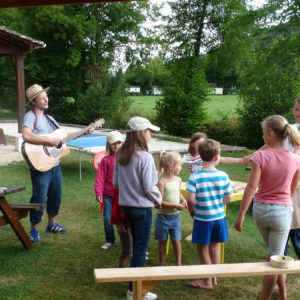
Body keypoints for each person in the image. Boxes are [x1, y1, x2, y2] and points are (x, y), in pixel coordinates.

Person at [234, 115, 300, 300]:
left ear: (270, 134)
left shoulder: (260, 155)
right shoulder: (295, 160)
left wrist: (240, 216)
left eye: (263, 134)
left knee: (273, 255)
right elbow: (291, 189)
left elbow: (252, 187)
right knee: (274, 260)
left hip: (260, 212)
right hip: (282, 213)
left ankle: (283, 294)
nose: (263, 137)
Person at [22, 84, 94, 243]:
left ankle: (51, 224)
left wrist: (84, 130)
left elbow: (62, 136)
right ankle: (33, 229)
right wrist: (47, 140)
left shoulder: (50, 118)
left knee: (56, 195)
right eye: (42, 97)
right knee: (39, 197)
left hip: (54, 164)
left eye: (46, 96)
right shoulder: (31, 116)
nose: (46, 99)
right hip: (40, 165)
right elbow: (26, 135)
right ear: (34, 101)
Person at [113, 116, 162, 300]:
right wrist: (159, 200)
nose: (151, 134)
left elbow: (116, 183)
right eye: (149, 131)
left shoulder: (121, 155)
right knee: (140, 249)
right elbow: (150, 187)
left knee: (136, 247)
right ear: (142, 134)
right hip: (142, 209)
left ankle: (132, 288)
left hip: (126, 207)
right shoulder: (145, 157)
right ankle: (135, 291)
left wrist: (129, 192)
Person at [183, 132, 247, 241]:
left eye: (203, 142)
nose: (202, 145)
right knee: (201, 212)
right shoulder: (189, 157)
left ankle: (197, 234)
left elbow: (224, 159)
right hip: (198, 186)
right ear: (193, 144)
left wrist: (240, 160)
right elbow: (177, 161)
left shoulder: (212, 157)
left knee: (201, 213)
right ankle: (195, 233)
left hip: (204, 187)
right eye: (199, 143)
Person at [187, 139, 232, 290]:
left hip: (203, 219)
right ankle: (214, 278)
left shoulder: (195, 177)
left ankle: (207, 281)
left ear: (199, 156)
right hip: (219, 218)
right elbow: (228, 197)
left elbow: (190, 200)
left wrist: (192, 212)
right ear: (217, 157)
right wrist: (221, 203)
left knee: (203, 249)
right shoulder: (224, 175)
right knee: (215, 247)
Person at [155, 151, 187, 266]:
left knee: (176, 240)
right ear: (171, 166)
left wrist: (184, 200)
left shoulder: (178, 180)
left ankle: (179, 264)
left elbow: (178, 194)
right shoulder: (162, 182)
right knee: (162, 241)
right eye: (180, 165)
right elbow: (160, 202)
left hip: (175, 217)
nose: (181, 168)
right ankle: (161, 263)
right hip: (162, 217)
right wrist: (176, 206)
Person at [94, 131, 123, 250]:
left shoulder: (126, 159)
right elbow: (100, 178)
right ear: (108, 145)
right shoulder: (105, 161)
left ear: (123, 143)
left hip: (123, 196)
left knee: (123, 220)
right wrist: (98, 192)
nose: (116, 146)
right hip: (108, 196)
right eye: (113, 144)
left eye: (119, 143)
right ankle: (110, 239)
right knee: (107, 219)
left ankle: (125, 241)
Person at [110, 188, 133, 267]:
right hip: (124, 222)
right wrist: (119, 224)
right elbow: (116, 207)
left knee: (134, 251)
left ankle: (133, 274)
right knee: (127, 251)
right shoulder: (119, 184)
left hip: (135, 220)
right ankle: (122, 271)